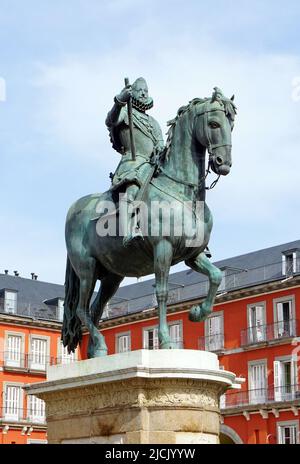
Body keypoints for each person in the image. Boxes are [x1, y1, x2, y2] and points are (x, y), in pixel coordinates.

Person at [106, 77, 164, 246]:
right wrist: (119, 101)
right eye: (140, 90)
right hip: (133, 163)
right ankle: (128, 230)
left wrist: (161, 149)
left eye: (146, 90)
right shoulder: (125, 112)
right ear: (133, 93)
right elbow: (110, 120)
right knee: (132, 187)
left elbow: (160, 143)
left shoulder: (154, 123)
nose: (144, 93)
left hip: (152, 165)